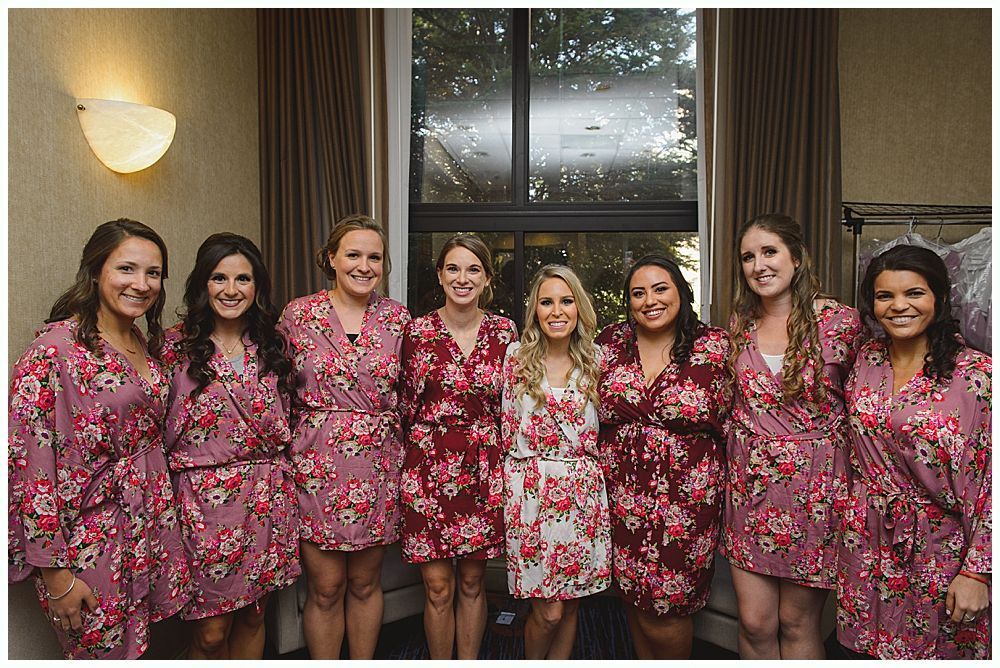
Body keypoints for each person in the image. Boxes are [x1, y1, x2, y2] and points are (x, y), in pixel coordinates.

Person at [8, 218, 191, 659]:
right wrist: (56, 575)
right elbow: (28, 468)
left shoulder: (141, 340)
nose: (141, 284)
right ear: (95, 271)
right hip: (91, 538)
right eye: (126, 268)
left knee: (144, 652)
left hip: (149, 523)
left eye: (153, 273)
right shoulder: (55, 351)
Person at [837, 244, 990, 660]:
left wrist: (980, 571)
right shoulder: (867, 358)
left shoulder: (977, 375)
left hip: (944, 551)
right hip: (866, 542)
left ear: (939, 297)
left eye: (914, 293)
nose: (899, 306)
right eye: (885, 296)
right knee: (867, 653)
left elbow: (992, 481)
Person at [722, 213, 862, 659]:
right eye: (748, 257)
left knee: (798, 622)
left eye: (769, 252)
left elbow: (870, 399)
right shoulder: (739, 325)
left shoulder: (840, 322)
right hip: (750, 492)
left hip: (815, 494)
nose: (758, 265)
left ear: (796, 258)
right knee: (755, 623)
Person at [161, 233, 300, 659]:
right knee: (210, 631)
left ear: (257, 286)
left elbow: (290, 415)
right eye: (219, 278)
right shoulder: (174, 348)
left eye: (243, 279)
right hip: (203, 505)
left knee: (254, 616)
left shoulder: (274, 345)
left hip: (265, 496)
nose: (231, 289)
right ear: (202, 283)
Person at [279, 214, 411, 659]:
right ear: (331, 258)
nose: (364, 266)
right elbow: (275, 388)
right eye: (353, 254)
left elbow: (410, 391)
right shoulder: (298, 315)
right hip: (316, 466)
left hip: (377, 465)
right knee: (326, 586)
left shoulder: (397, 318)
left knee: (364, 582)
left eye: (374, 257)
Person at [596, 253, 730, 659]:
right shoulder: (611, 342)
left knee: (668, 608)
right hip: (623, 496)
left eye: (660, 289)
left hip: (685, 501)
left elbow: (737, 418)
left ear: (681, 292)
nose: (650, 301)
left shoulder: (715, 344)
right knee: (633, 598)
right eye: (638, 293)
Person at [399, 234, 518, 659]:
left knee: (471, 581)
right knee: (437, 586)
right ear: (439, 275)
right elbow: (404, 405)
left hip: (483, 466)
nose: (462, 278)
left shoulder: (505, 332)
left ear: (487, 279)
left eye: (473, 269)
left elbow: (511, 406)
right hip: (427, 465)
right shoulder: (417, 332)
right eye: (453, 268)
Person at [500, 265, 611, 660]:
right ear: (535, 309)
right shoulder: (515, 358)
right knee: (548, 612)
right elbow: (505, 430)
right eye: (546, 302)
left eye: (566, 301)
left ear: (579, 307)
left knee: (572, 604)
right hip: (530, 493)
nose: (557, 311)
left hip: (582, 494)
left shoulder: (597, 360)